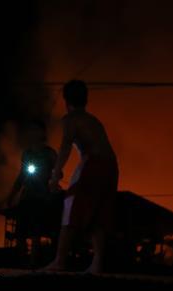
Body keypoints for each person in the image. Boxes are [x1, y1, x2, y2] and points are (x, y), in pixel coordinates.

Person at [45, 80, 119, 274]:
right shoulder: (94, 120)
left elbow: (65, 147)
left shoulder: (71, 119)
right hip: (111, 166)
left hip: (93, 163)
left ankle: (60, 260)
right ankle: (97, 263)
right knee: (97, 213)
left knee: (71, 206)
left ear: (66, 101)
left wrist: (54, 175)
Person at [4, 121, 62, 264]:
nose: (33, 134)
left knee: (36, 231)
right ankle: (21, 261)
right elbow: (21, 176)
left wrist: (55, 177)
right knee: (21, 232)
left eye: (36, 130)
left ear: (43, 133)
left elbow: (59, 172)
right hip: (27, 197)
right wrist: (12, 195)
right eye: (32, 131)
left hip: (42, 197)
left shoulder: (49, 153)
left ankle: (34, 262)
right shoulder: (27, 153)